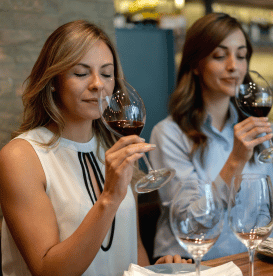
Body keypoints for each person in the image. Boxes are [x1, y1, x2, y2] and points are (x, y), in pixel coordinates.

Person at [0, 20, 189, 276]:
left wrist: (156, 271)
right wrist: (109, 198)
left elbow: (133, 250)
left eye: (107, 73)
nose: (98, 84)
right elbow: (47, 271)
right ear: (53, 81)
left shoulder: (113, 149)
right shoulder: (21, 157)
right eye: (81, 73)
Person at [149, 13, 273, 261]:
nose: (234, 66)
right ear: (195, 65)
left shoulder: (253, 127)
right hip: (192, 265)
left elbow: (266, 214)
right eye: (220, 56)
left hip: (249, 263)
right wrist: (236, 160)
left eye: (241, 56)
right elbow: (191, 223)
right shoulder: (169, 133)